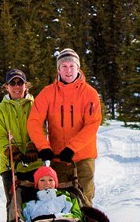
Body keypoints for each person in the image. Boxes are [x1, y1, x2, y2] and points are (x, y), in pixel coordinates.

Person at [27, 48, 102, 203]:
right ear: (58, 69)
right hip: (58, 157)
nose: (68, 70)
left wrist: (72, 148)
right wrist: (43, 147)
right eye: (64, 66)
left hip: (83, 157)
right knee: (59, 200)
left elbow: (92, 125)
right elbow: (34, 122)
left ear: (78, 68)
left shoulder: (90, 93)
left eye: (72, 66)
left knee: (84, 199)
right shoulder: (48, 93)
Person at [0, 68, 41, 222]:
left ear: (26, 85)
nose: (17, 87)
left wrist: (33, 146)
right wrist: (10, 150)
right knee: (13, 204)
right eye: (13, 83)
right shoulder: (0, 110)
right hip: (10, 165)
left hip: (35, 164)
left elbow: (41, 127)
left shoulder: (35, 105)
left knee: (36, 201)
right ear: (7, 87)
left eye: (20, 83)